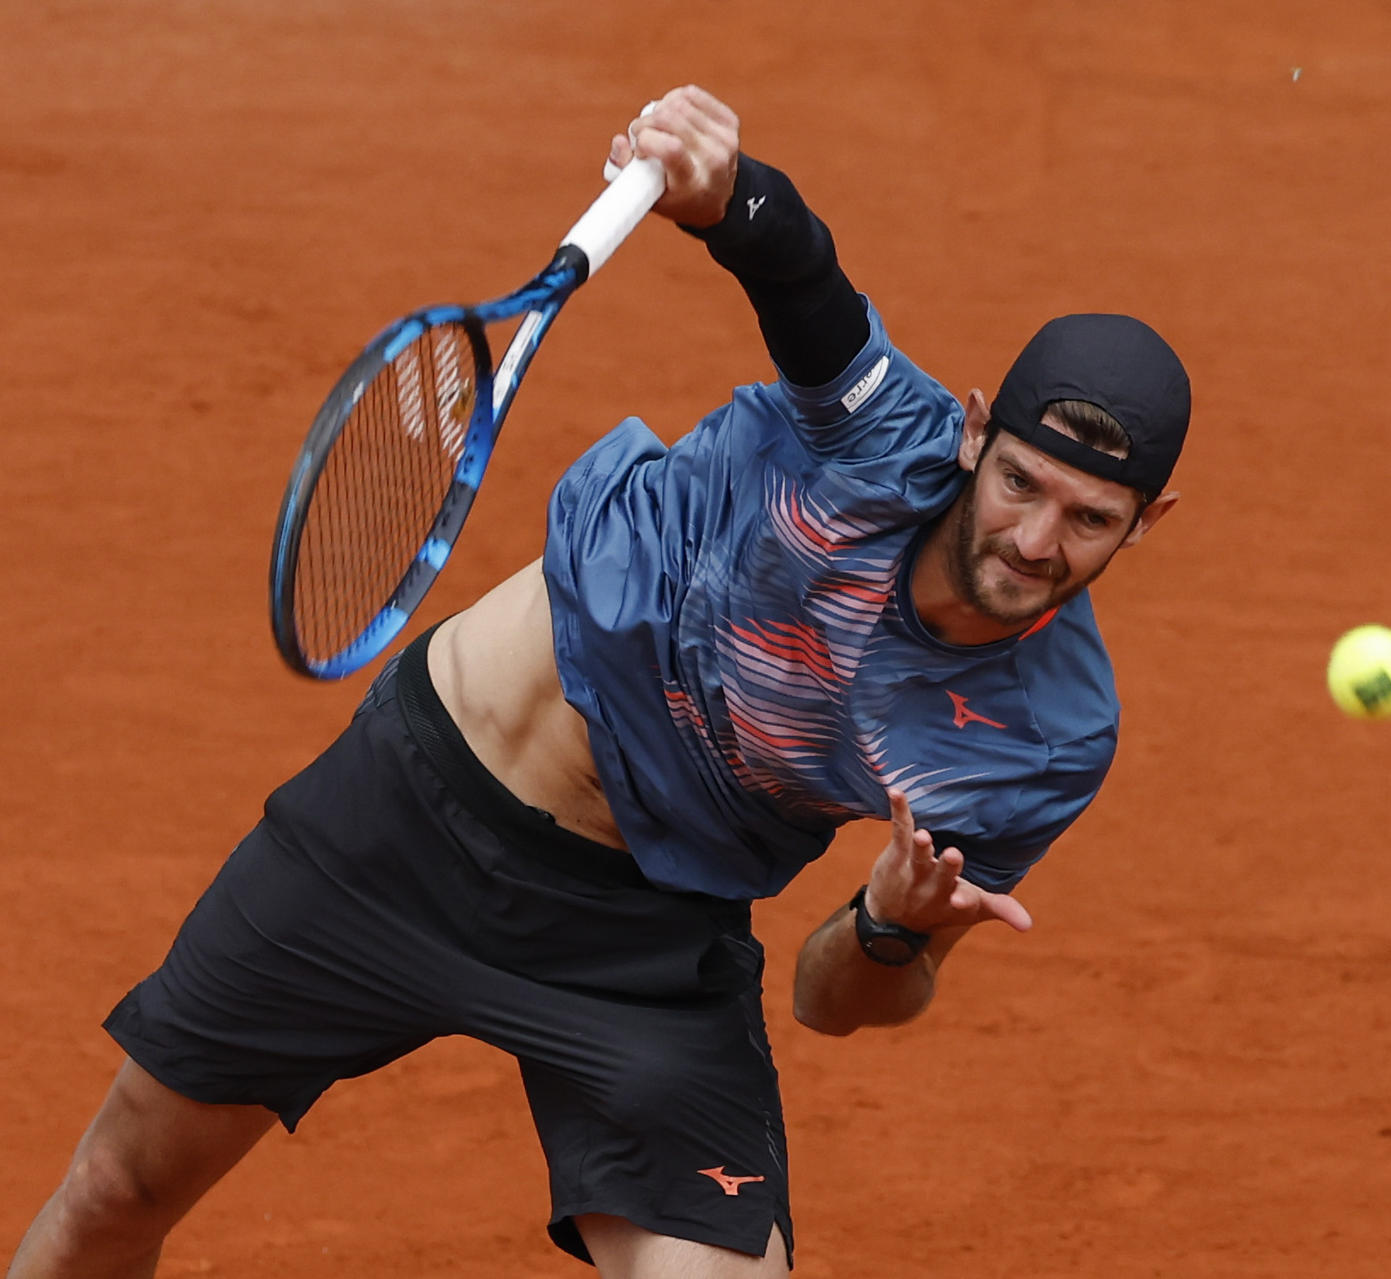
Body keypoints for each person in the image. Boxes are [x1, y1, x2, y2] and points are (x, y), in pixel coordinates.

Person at [6, 84, 1189, 1279]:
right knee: (117, 1186)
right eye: (1021, 484)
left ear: (1148, 523)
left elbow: (837, 1001)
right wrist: (723, 191)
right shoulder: (886, 439)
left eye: (1091, 517)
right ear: (975, 435)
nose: (1038, 541)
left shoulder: (1043, 743)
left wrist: (892, 929)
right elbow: (802, 280)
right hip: (406, 816)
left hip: (640, 931)